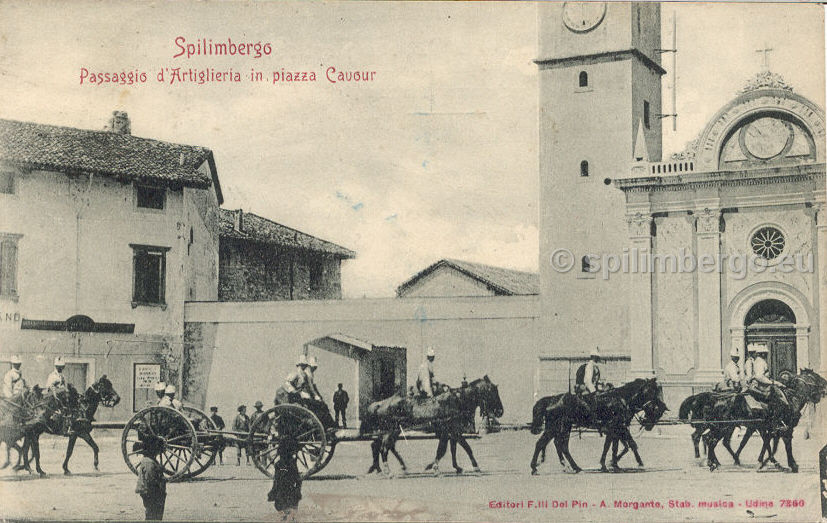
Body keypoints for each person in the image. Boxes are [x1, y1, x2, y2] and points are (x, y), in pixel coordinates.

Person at [267, 436, 302, 520]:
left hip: (282, 492)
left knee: (280, 506)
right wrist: (298, 489)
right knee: (292, 507)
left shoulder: (278, 464)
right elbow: (298, 479)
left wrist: (273, 491)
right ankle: (291, 517)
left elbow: (276, 480)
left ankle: (284, 516)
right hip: (291, 491)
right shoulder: (293, 463)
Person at [135, 435, 166, 521]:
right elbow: (150, 480)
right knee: (154, 513)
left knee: (152, 513)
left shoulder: (149, 460)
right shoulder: (149, 463)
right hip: (152, 493)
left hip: (151, 492)